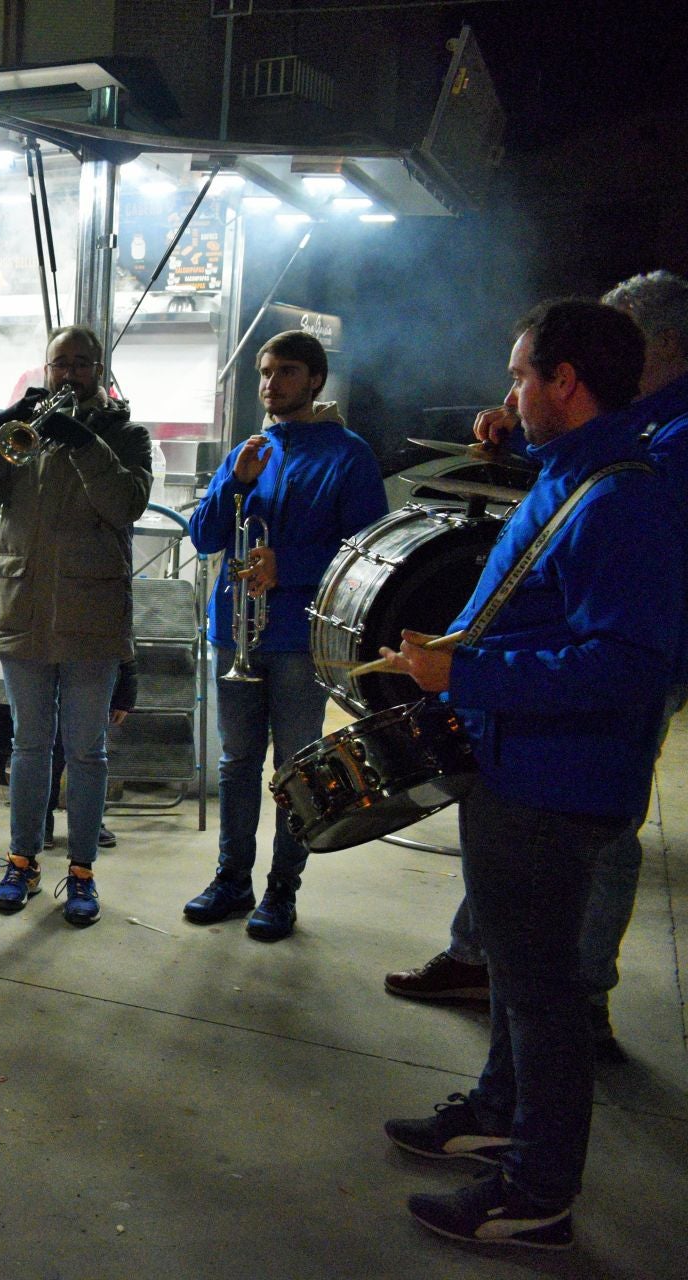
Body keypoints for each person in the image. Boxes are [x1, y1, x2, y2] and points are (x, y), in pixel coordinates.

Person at [380, 299, 678, 1249]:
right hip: (519, 762)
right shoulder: (578, 472)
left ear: (566, 382)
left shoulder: (627, 497)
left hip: (557, 779)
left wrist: (467, 671)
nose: (505, 393)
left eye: (519, 376)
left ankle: (538, 1190)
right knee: (513, 969)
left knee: (544, 993)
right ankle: (500, 1111)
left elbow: (629, 666)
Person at [182, 329, 385, 940]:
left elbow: (364, 555)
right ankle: (231, 881)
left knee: (296, 769)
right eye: (266, 373)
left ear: (316, 379)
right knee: (237, 763)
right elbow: (205, 536)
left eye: (286, 373)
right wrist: (235, 483)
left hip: (298, 639)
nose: (271, 384)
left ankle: (282, 890)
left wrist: (287, 567)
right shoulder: (249, 450)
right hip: (235, 633)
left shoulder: (350, 456)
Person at [0, 326, 152, 926]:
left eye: (80, 364)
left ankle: (83, 872)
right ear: (45, 368)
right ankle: (22, 860)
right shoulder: (26, 435)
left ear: (100, 369)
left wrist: (85, 443)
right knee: (28, 746)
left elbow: (125, 505)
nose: (68, 374)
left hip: (91, 617)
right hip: (21, 609)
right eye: (58, 364)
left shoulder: (126, 435)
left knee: (87, 752)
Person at [48, 658, 138, 850]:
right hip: (51, 672)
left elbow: (126, 644)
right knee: (49, 757)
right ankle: (42, 823)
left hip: (95, 673)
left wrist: (124, 697)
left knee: (89, 758)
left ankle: (88, 827)